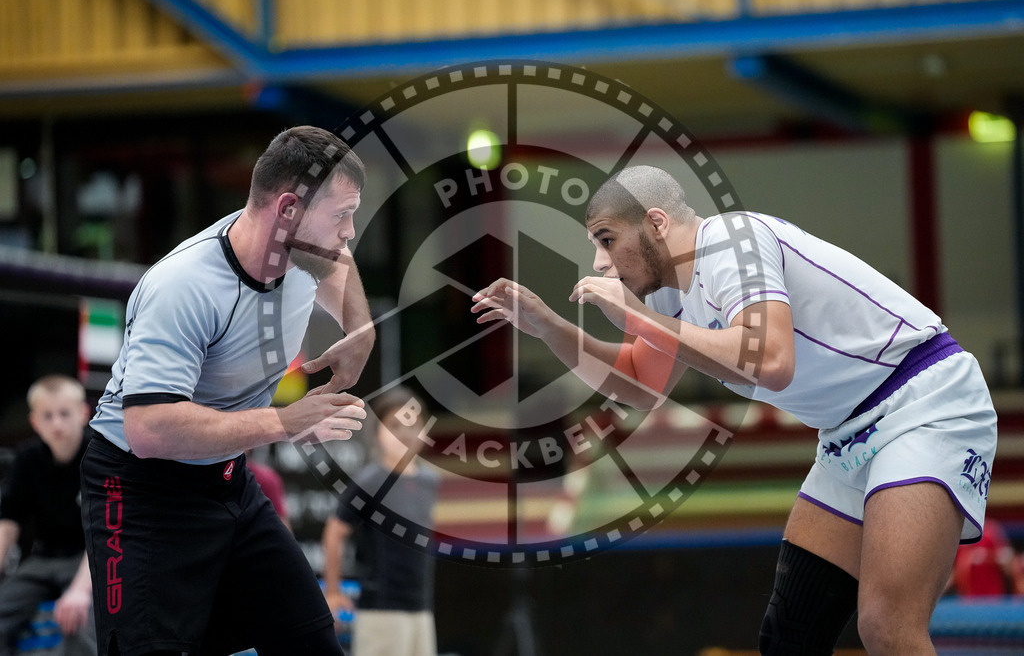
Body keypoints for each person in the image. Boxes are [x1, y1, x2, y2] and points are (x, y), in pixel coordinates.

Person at [471, 165, 998, 655]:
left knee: (886, 626)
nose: (600, 263)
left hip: (924, 400)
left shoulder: (731, 241)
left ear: (656, 223)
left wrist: (637, 316)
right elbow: (637, 385)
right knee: (789, 635)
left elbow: (771, 361)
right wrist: (549, 327)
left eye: (607, 240)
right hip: (849, 430)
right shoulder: (666, 294)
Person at [81, 126, 376, 656]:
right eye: (340, 216)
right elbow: (148, 429)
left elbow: (341, 267)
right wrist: (287, 421)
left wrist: (362, 329)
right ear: (288, 209)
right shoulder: (183, 286)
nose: (349, 232)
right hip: (143, 488)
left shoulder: (308, 252)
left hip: (227, 480)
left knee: (312, 641)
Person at [321, 387, 440, 656]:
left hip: (421, 608)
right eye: (395, 425)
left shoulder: (429, 481)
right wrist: (332, 591)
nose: (404, 433)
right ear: (379, 432)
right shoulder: (370, 481)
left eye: (412, 424)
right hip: (381, 610)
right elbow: (335, 532)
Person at [0, 375, 95, 656]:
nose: (56, 423)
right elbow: (8, 523)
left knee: (81, 622)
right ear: (35, 422)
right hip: (42, 560)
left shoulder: (99, 457)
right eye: (47, 416)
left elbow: (106, 531)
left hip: (87, 559)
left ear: (83, 413)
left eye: (64, 413)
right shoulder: (26, 459)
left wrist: (80, 591)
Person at [950, 519, 1023, 596]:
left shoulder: (990, 533)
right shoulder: (960, 540)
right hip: (970, 600)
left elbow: (1008, 564)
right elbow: (957, 573)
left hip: (993, 598)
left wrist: (988, 556)